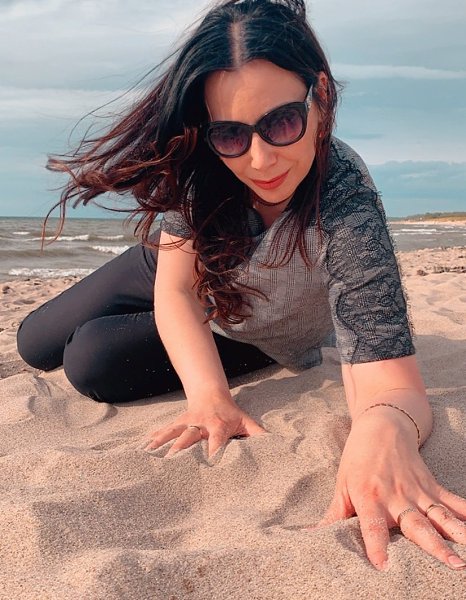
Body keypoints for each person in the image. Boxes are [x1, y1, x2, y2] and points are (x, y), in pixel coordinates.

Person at [16, 0, 466, 572]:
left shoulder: (346, 200)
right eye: (231, 133)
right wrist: (210, 398)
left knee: (91, 359)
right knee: (34, 340)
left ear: (321, 97)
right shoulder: (202, 167)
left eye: (282, 122)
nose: (259, 159)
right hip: (173, 270)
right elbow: (177, 290)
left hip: (255, 327)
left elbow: (391, 381)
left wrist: (383, 430)